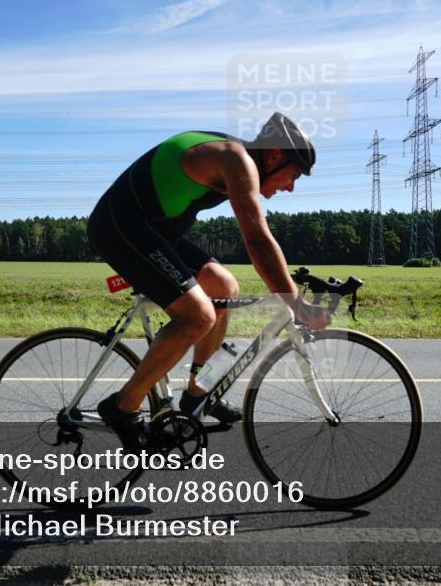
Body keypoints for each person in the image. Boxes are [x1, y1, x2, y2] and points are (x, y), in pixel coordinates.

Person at [87, 111, 331, 451]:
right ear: (275, 155)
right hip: (120, 227)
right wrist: (296, 303)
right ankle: (122, 406)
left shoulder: (237, 156)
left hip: (154, 231)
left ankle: (198, 392)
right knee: (197, 316)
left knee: (224, 286)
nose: (290, 187)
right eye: (293, 175)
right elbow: (257, 239)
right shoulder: (236, 159)